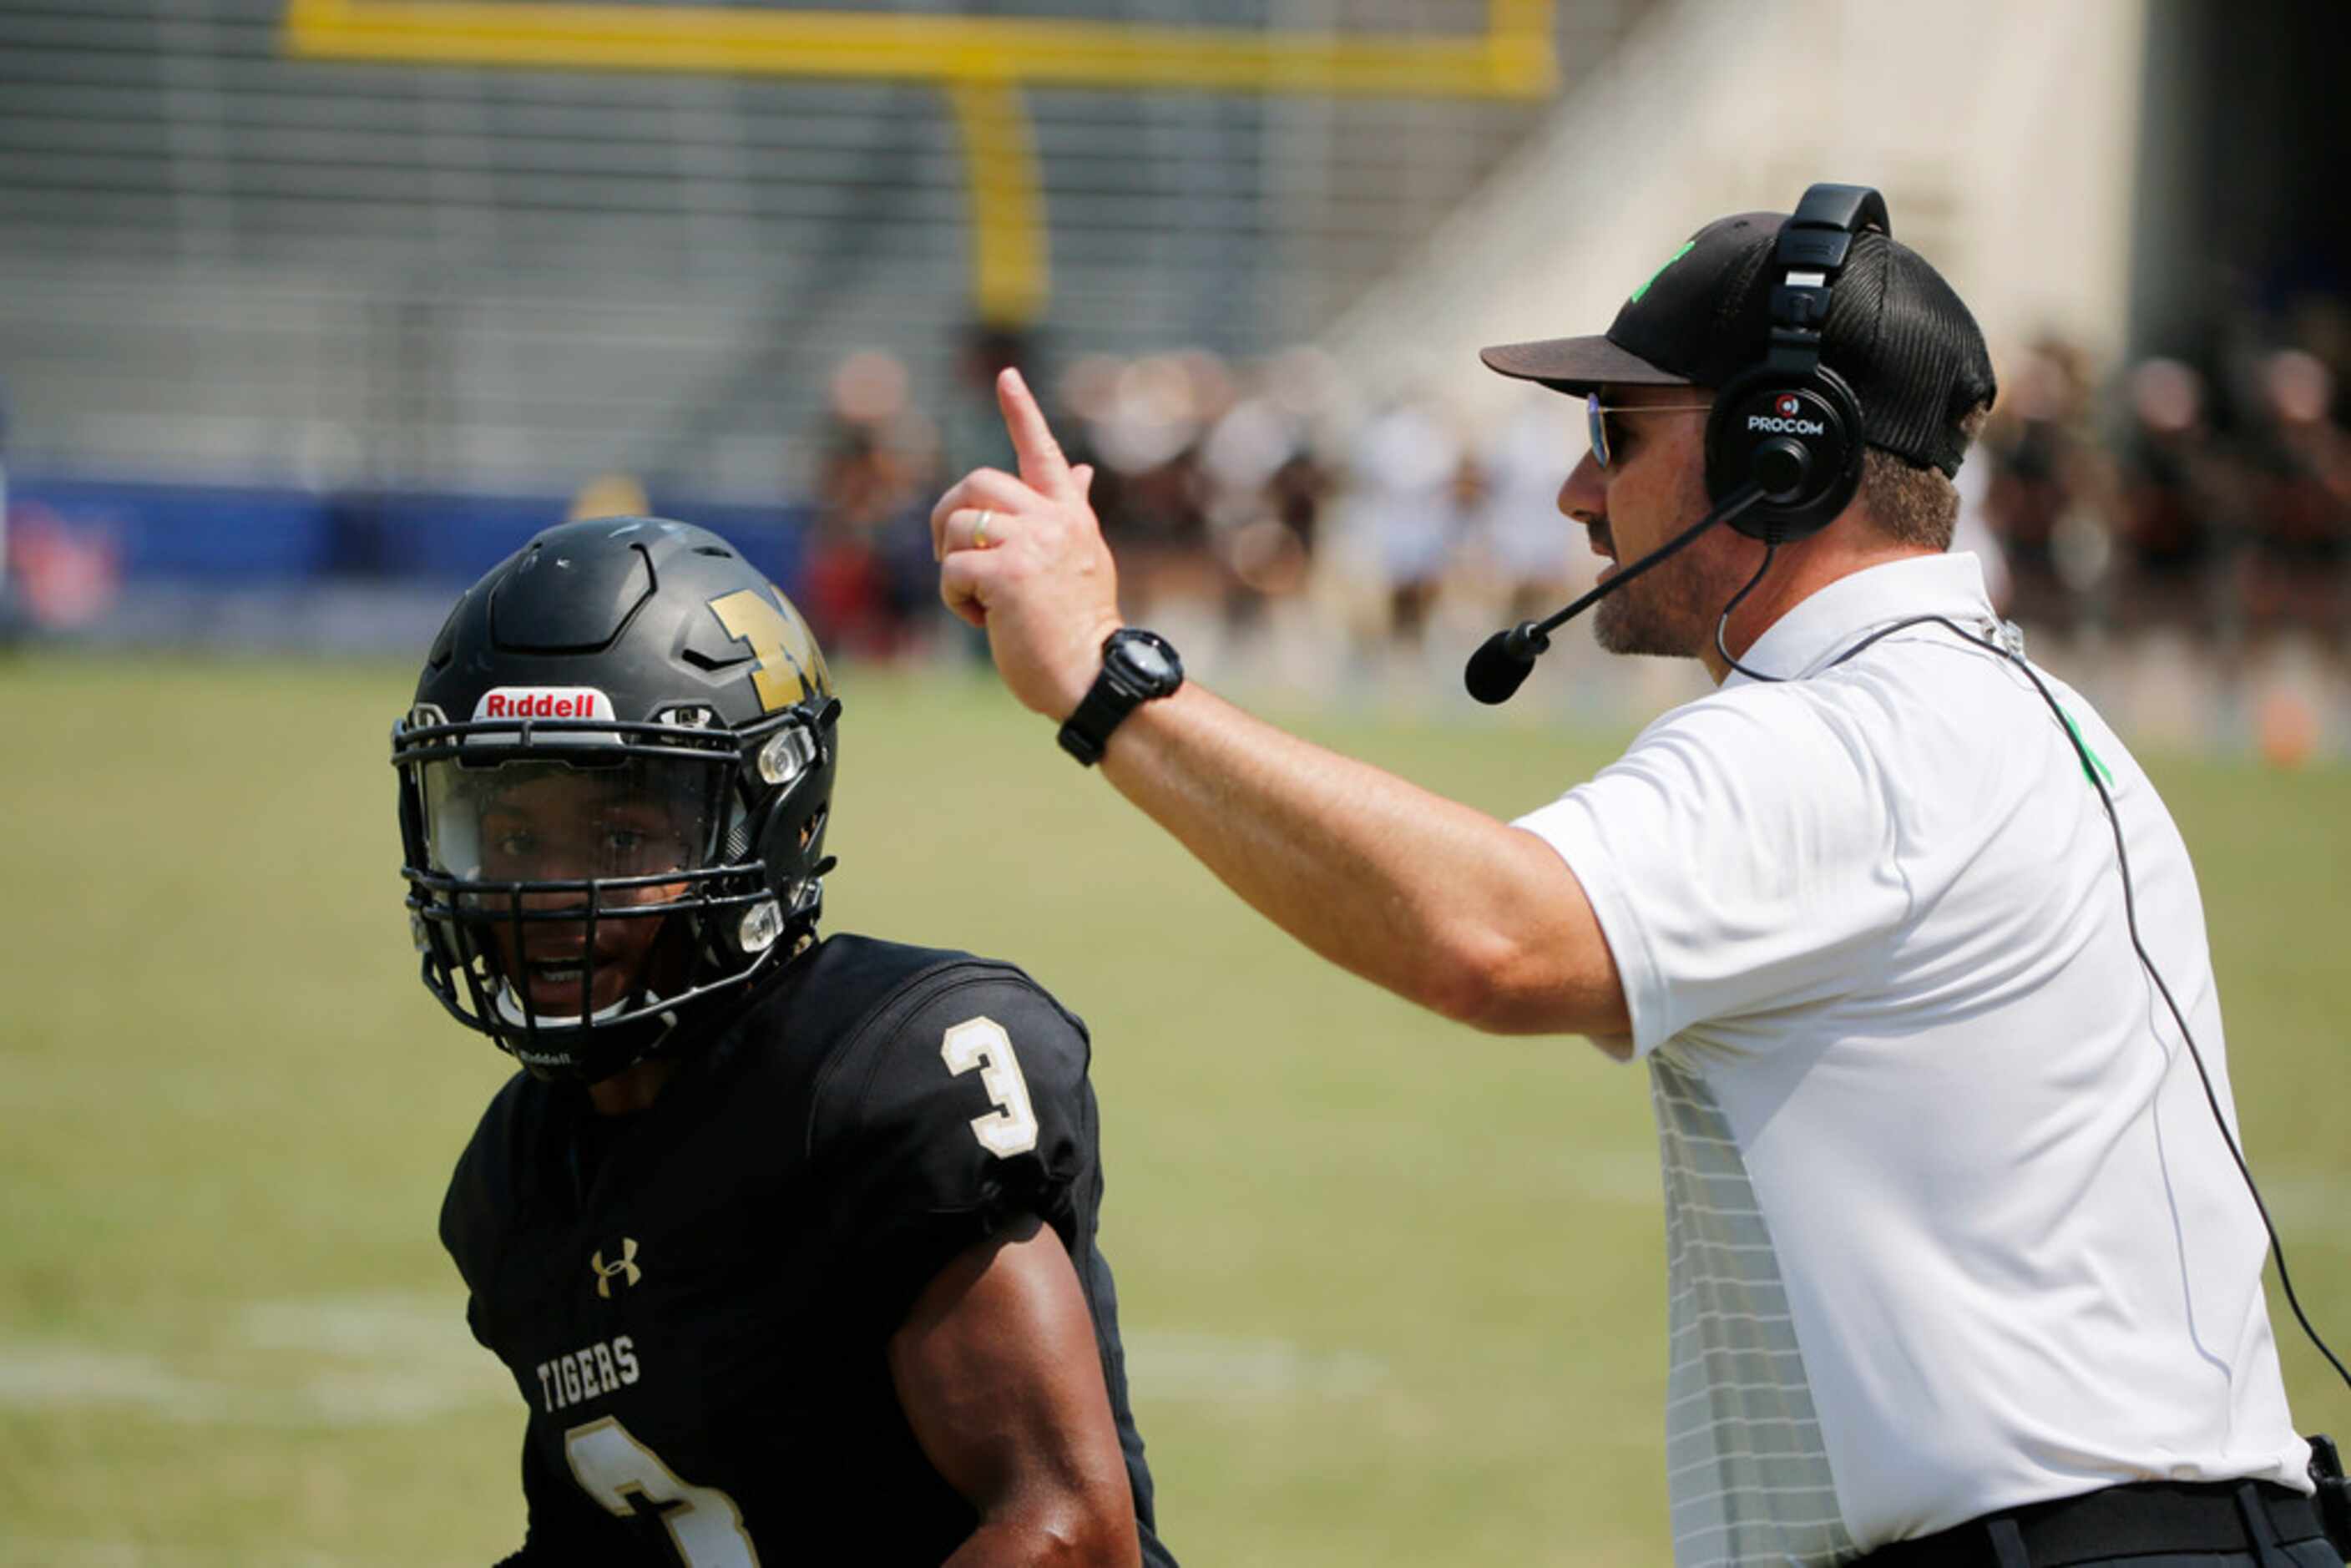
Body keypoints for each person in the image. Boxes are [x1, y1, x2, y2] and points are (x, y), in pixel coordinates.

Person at [929, 187, 2341, 1565]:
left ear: (1776, 452)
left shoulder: (1856, 739)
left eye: (1617, 432)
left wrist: (1109, 684)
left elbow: (1489, 936)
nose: (1575, 488)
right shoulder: (2003, 714)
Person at [391, 516, 1177, 1566]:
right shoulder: (517, 1176)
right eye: (513, 835)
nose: (547, 895)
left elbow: (1063, 1533)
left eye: (620, 837)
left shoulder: (892, 1071)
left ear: (771, 818)